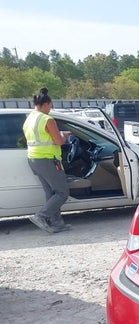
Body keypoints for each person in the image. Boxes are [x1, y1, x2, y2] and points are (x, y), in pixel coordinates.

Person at [22, 87, 72, 233]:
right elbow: (59, 142)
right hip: (48, 159)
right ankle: (41, 216)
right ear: (45, 104)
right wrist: (65, 135)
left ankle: (56, 223)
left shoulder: (29, 118)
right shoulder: (47, 119)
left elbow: (42, 137)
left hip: (34, 159)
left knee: (50, 192)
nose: (50, 109)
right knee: (62, 192)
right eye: (50, 106)